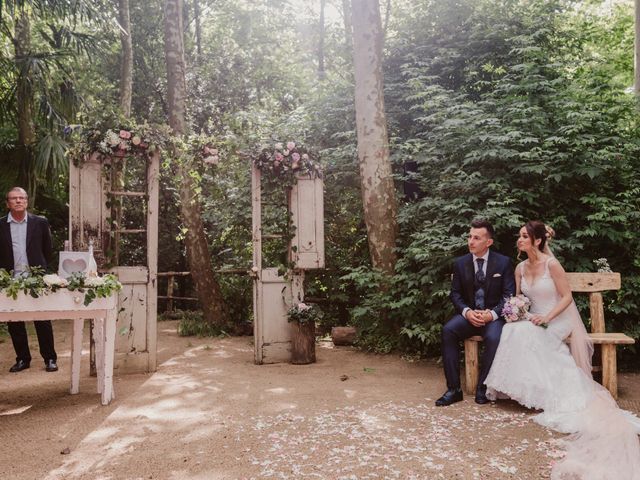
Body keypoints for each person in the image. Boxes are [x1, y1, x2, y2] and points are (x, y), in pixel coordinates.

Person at [485, 221, 640, 479]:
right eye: (519, 236)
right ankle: (522, 390)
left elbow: (567, 297)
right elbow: (518, 298)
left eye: (524, 236)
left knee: (526, 333)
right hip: (533, 319)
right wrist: (517, 310)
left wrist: (546, 318)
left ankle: (545, 392)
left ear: (537, 240)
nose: (519, 240)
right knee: (514, 330)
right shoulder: (520, 267)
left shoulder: (552, 265)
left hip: (557, 319)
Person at [436, 219, 516, 406]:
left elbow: (508, 295)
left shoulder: (503, 263)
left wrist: (493, 314)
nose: (471, 241)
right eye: (470, 237)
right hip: (469, 316)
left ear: (488, 242)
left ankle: (483, 388)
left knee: (494, 338)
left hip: (493, 317)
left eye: (476, 238)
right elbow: (455, 294)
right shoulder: (460, 263)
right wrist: (466, 312)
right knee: (448, 330)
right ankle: (454, 389)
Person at [0, 187, 58, 373]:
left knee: (42, 318)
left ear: (26, 201)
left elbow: (48, 250)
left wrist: (40, 270)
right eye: (14, 198)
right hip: (10, 279)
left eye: (21, 198)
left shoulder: (40, 222)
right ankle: (23, 359)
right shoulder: (1, 225)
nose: (18, 201)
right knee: (14, 320)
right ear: (7, 203)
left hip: (36, 277)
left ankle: (50, 358)